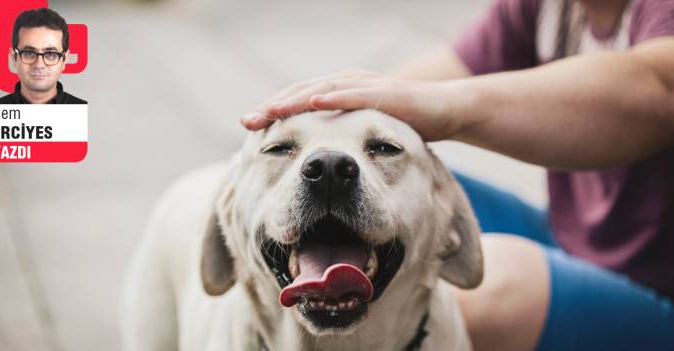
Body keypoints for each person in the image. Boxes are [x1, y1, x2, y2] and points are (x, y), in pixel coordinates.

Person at [240, 0, 674, 350]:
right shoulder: (543, 8)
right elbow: (399, 94)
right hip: (572, 237)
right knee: (409, 183)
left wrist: (447, 109)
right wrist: (292, 148)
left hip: (660, 296)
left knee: (491, 288)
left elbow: (659, 84)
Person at [0, 8, 86, 104]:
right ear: (14, 57)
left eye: (50, 54)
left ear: (64, 59)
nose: (39, 65)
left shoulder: (81, 111)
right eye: (29, 53)